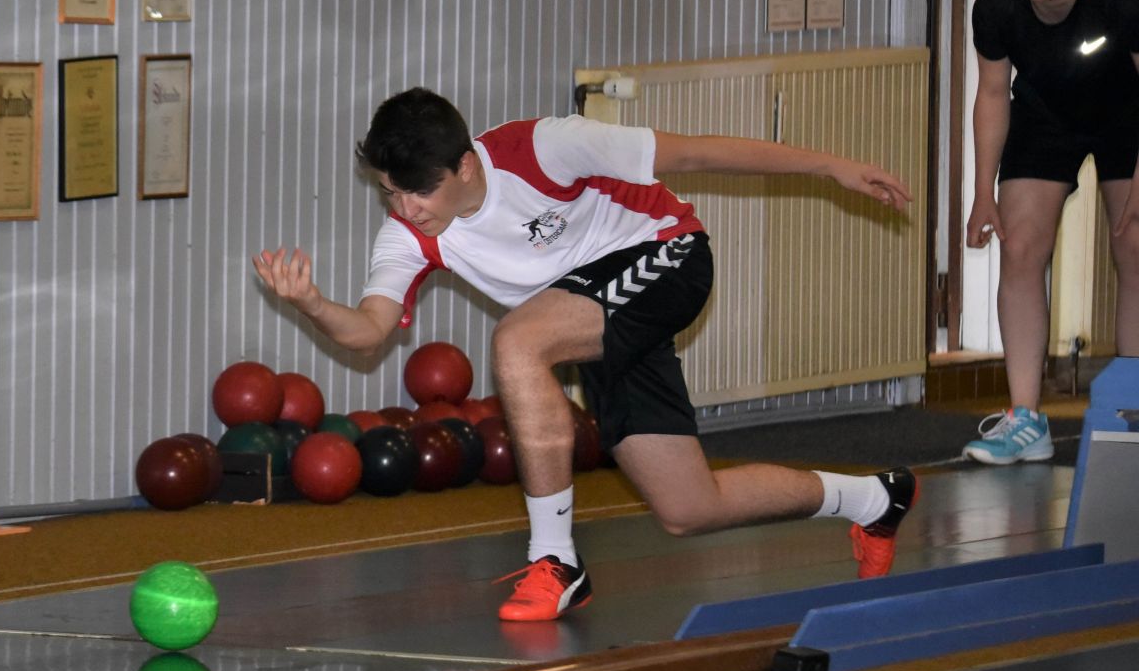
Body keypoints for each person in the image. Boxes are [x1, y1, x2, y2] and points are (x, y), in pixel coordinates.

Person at [254, 87, 918, 621]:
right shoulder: (408, 236)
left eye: (417, 191)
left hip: (666, 257)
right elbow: (368, 330)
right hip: (592, 316)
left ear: (465, 166)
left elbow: (692, 153)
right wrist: (311, 302)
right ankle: (873, 499)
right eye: (389, 192)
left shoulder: (544, 149)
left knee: (518, 341)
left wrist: (829, 166)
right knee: (689, 508)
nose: (405, 208)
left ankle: (556, 561)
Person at [963, 0, 1139, 465]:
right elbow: (993, 94)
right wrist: (983, 193)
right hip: (1045, 119)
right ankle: (1024, 419)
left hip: (1125, 118)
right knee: (1019, 248)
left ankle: (1132, 409)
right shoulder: (997, 7)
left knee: (1134, 244)